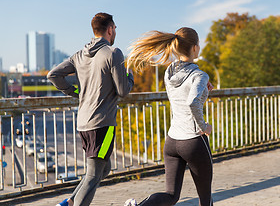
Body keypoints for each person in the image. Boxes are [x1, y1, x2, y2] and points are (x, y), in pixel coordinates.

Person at [47, 12, 134, 206]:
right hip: (103, 125)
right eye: (115, 29)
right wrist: (130, 75)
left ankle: (68, 202)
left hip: (83, 124)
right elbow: (123, 91)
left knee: (102, 170)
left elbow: (53, 75)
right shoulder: (113, 53)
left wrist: (75, 92)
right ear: (110, 29)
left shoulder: (79, 55)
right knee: (95, 175)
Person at [125, 27, 214, 206]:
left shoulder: (169, 73)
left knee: (171, 195)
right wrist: (204, 126)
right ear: (195, 48)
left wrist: (204, 88)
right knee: (205, 199)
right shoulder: (199, 75)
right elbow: (193, 102)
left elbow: (184, 93)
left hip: (172, 141)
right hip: (193, 141)